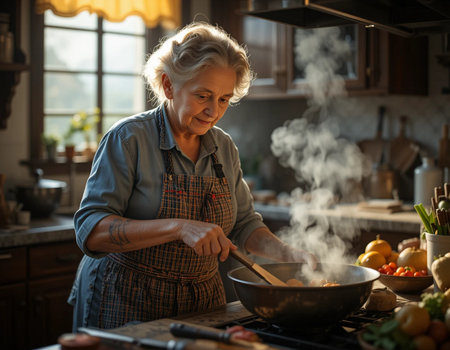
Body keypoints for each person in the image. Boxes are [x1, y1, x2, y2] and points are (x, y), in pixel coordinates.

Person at [68, 22, 317, 331]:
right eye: (203, 96)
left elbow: (243, 224)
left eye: (224, 99)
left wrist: (289, 254)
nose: (213, 111)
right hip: (127, 297)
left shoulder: (223, 146)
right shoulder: (128, 139)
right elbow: (90, 230)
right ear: (169, 85)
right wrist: (179, 228)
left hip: (201, 300)